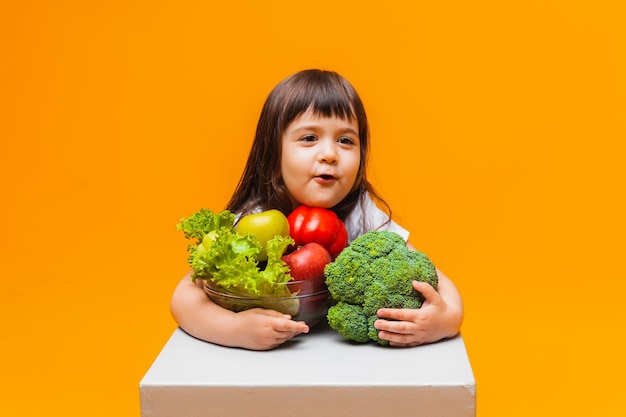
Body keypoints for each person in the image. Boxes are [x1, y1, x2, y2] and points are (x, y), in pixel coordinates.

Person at [170, 69, 464, 351]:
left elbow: (437, 279)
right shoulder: (253, 222)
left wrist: (445, 321)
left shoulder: (363, 214)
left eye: (346, 140)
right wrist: (234, 329)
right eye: (309, 138)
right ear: (273, 156)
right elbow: (183, 298)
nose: (329, 154)